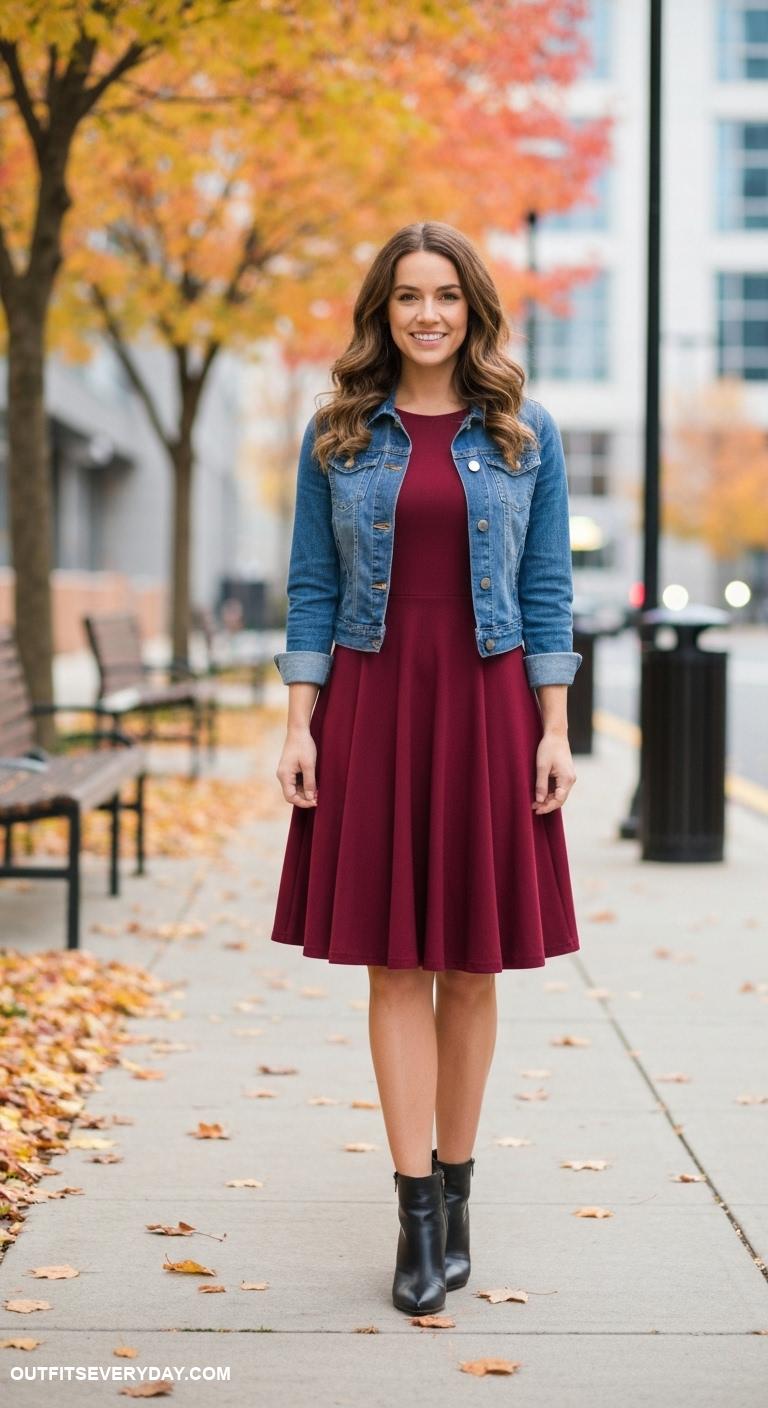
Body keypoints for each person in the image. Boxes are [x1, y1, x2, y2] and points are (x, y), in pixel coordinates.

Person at [270, 220, 582, 1316]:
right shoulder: (341, 433)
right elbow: (311, 587)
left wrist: (555, 727)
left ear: (475, 307)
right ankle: (412, 1215)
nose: (428, 313)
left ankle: (459, 1195)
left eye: (446, 294)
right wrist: (299, 722)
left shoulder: (523, 431)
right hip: (375, 702)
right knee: (395, 964)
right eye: (407, 296)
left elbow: (547, 591)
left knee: (474, 965)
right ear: (382, 312)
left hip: (491, 705)